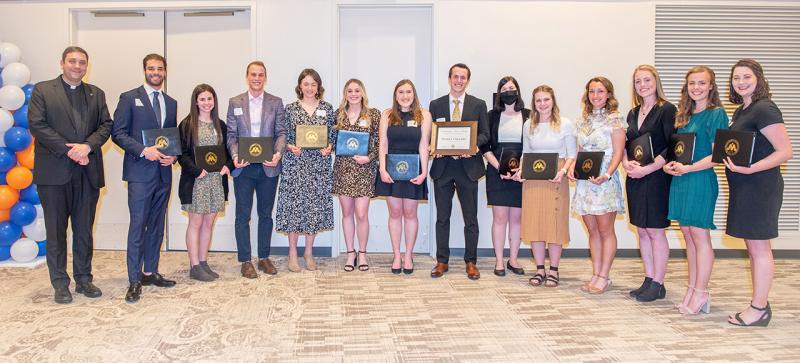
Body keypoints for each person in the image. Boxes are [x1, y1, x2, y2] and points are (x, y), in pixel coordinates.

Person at [28, 46, 113, 304]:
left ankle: (84, 279)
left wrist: (86, 146)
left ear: (87, 65)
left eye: (82, 62)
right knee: (56, 231)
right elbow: (37, 125)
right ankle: (60, 283)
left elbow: (106, 125)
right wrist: (70, 151)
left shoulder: (96, 93)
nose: (77, 66)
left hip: (87, 172)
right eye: (72, 61)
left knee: (84, 230)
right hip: (54, 173)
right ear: (62, 63)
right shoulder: (43, 90)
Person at [723, 59, 791, 327]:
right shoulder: (742, 110)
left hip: (760, 186)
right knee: (753, 248)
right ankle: (759, 303)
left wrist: (751, 169)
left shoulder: (765, 108)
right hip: (744, 186)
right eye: (736, 78)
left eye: (746, 77)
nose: (741, 82)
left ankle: (759, 309)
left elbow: (785, 151)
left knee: (760, 249)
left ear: (758, 78)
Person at [111, 53, 178, 303]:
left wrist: (173, 157)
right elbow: (117, 133)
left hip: (163, 172)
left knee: (157, 225)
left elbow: (169, 139)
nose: (156, 73)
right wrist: (143, 150)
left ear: (165, 71)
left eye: (160, 69)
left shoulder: (170, 102)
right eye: (151, 69)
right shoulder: (129, 98)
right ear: (144, 70)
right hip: (140, 172)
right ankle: (134, 279)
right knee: (138, 225)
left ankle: (150, 272)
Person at [663, 66, 728, 315]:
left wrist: (688, 168)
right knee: (688, 236)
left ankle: (701, 293)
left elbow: (717, 155)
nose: (696, 88)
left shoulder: (716, 114)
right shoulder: (685, 116)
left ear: (711, 86)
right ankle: (692, 288)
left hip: (700, 179)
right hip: (682, 179)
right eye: (692, 83)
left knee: (700, 237)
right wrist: (671, 166)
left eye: (702, 83)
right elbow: (679, 151)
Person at [428, 63, 490, 280]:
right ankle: (441, 261)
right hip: (443, 167)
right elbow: (431, 135)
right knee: (442, 218)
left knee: (470, 218)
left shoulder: (478, 104)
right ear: (449, 78)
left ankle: (471, 261)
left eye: (463, 77)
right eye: (456, 76)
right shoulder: (436, 105)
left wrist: (473, 147)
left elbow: (485, 134)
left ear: (467, 81)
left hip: (468, 168)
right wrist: (433, 147)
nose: (459, 81)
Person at [226, 61, 286, 278]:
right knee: (242, 215)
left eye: (261, 75)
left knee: (265, 214)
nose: (257, 78)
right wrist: (234, 156)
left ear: (265, 77)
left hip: (268, 167)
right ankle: (245, 260)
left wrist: (278, 154)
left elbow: (281, 133)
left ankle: (263, 257)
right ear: (247, 76)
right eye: (253, 74)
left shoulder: (276, 102)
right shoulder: (235, 102)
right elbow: (231, 135)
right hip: (244, 167)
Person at [622, 65, 677, 302]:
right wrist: (626, 164)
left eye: (647, 80)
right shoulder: (633, 113)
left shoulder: (667, 109)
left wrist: (648, 169)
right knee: (642, 231)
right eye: (638, 81)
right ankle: (648, 278)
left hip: (656, 177)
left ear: (656, 81)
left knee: (655, 230)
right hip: (635, 177)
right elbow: (626, 144)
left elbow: (670, 146)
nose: (642, 85)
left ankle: (659, 282)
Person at [568, 76, 626, 294]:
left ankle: (604, 276)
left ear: (608, 94)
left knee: (605, 230)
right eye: (592, 92)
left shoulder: (615, 119)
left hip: (604, 181)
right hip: (585, 183)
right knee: (592, 231)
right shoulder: (583, 121)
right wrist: (573, 167)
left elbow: (619, 153)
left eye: (600, 91)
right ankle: (595, 273)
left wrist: (608, 175)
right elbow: (579, 152)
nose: (596, 96)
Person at [514, 85, 576, 287]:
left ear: (553, 101)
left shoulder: (565, 124)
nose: (542, 104)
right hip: (533, 177)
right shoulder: (528, 124)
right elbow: (525, 153)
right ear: (534, 103)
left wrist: (563, 171)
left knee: (554, 225)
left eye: (546, 100)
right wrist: (521, 171)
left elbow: (571, 154)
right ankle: (540, 269)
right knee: (535, 224)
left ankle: (554, 270)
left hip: (557, 177)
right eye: (538, 100)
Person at [275, 68, 335, 272]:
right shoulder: (290, 109)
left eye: (313, 84)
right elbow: (283, 134)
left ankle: (308, 252)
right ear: (300, 86)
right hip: (295, 164)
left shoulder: (327, 108)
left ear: (318, 87)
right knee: (294, 207)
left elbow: (332, 136)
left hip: (319, 165)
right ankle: (292, 253)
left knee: (314, 208)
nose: (310, 88)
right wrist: (290, 146)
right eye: (306, 83)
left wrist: (329, 147)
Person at [375, 80, 432, 274]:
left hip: (413, 170)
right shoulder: (387, 115)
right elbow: (382, 143)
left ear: (414, 94)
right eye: (401, 92)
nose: (405, 95)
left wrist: (424, 171)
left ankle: (408, 255)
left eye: (409, 92)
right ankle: (396, 255)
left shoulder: (424, 115)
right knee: (394, 213)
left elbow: (424, 145)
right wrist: (382, 169)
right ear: (395, 94)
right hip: (391, 170)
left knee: (410, 213)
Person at [178, 84, 233, 282]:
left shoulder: (221, 124)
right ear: (195, 101)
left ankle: (203, 262)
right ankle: (194, 265)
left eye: (210, 99)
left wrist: (228, 166)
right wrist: (196, 170)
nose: (207, 103)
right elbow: (181, 154)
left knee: (209, 223)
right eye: (202, 99)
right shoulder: (186, 125)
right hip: (196, 181)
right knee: (196, 222)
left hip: (216, 182)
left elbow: (228, 152)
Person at [331, 79, 380, 272]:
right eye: (349, 90)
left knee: (361, 213)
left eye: (357, 90)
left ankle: (363, 252)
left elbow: (379, 142)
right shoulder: (338, 115)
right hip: (343, 169)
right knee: (347, 213)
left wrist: (369, 157)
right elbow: (332, 141)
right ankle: (350, 253)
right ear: (345, 93)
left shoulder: (373, 114)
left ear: (363, 92)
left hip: (364, 169)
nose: (353, 94)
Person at [482, 76, 528, 277]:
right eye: (505, 88)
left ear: (518, 91)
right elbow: (483, 145)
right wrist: (499, 166)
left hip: (521, 173)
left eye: (512, 88)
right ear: (499, 93)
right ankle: (499, 260)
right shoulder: (491, 115)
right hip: (496, 170)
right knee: (499, 218)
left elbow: (533, 144)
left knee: (516, 219)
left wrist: (522, 169)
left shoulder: (529, 115)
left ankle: (514, 259)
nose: (509, 91)